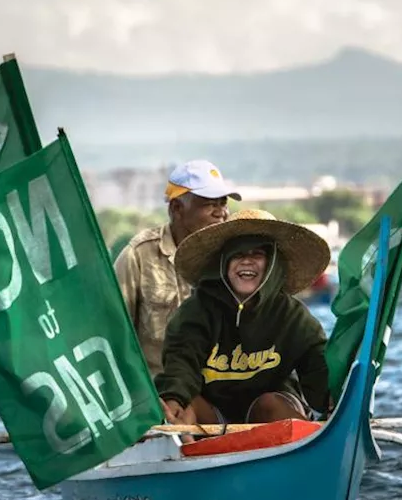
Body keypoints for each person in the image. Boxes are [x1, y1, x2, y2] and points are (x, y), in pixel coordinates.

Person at [155, 209, 333, 429]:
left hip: (271, 411)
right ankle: (190, 446)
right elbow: (181, 365)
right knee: (185, 405)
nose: (247, 261)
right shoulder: (196, 311)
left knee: (270, 404)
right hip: (213, 416)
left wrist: (333, 397)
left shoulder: (293, 316)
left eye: (257, 254)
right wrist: (174, 400)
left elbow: (318, 368)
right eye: (238, 255)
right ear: (224, 263)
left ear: (272, 264)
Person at [113, 160, 240, 376]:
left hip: (219, 392)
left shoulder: (235, 258)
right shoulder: (139, 255)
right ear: (177, 208)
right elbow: (116, 334)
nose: (221, 213)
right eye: (210, 204)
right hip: (158, 392)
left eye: (223, 203)